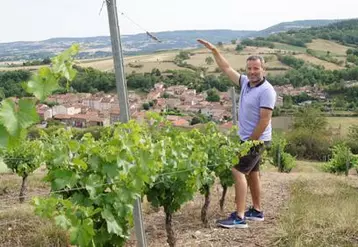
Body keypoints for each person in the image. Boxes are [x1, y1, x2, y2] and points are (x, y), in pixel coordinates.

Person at [197, 39, 277, 229]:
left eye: (256, 68)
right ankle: (257, 211)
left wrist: (250, 142)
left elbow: (265, 120)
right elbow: (226, 68)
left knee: (237, 170)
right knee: (253, 173)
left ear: (263, 69)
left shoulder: (267, 90)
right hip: (249, 139)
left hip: (256, 139)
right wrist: (215, 51)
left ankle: (239, 217)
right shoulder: (245, 83)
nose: (252, 72)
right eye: (249, 68)